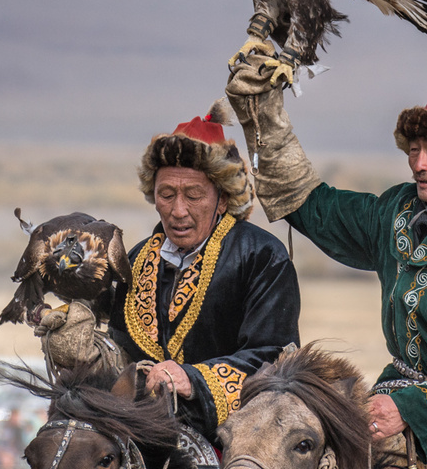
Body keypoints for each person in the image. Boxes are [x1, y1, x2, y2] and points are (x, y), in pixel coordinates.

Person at [226, 63, 427, 469]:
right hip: (392, 399)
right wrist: (263, 116)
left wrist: (411, 410)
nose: (418, 164)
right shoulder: (398, 211)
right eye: (414, 150)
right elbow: (318, 207)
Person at [82, 103, 301, 443]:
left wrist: (193, 379)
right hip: (144, 428)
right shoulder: (138, 259)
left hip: (237, 435)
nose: (178, 210)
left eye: (194, 195)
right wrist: (86, 349)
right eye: (166, 194)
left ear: (223, 199)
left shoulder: (261, 256)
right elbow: (122, 347)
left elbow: (275, 356)